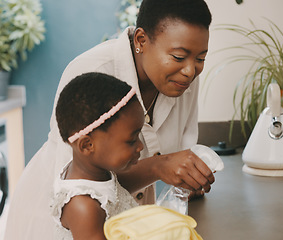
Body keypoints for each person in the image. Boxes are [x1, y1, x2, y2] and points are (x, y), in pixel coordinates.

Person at [5, 0, 214, 239]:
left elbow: (182, 150)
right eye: (178, 57)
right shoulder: (91, 70)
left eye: (200, 58)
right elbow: (85, 178)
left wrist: (189, 176)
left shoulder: (184, 79)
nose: (190, 70)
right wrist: (159, 166)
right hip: (50, 224)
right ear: (141, 41)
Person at [52, 73, 142, 239]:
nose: (140, 146)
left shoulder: (96, 172)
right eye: (131, 140)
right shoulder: (83, 207)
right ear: (87, 145)